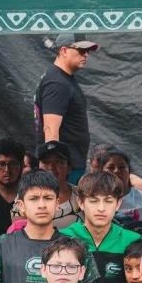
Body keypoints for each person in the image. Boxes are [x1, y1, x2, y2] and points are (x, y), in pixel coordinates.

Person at [60, 171, 142, 283]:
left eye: (108, 201)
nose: (101, 208)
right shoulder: (63, 238)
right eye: (94, 201)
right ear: (81, 202)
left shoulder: (134, 241)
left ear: (118, 203)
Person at [34, 33, 99, 180]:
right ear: (63, 51)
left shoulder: (62, 79)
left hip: (68, 166)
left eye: (87, 51)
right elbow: (50, 130)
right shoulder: (57, 83)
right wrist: (53, 172)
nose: (86, 54)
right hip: (63, 169)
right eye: (81, 50)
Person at [99, 147, 142, 228]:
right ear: (101, 172)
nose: (116, 171)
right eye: (111, 168)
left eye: (122, 167)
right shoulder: (93, 200)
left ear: (129, 171)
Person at [34, 141, 80, 230]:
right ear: (38, 167)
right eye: (46, 162)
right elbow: (18, 229)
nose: (51, 167)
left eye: (58, 162)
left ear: (69, 167)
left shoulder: (82, 195)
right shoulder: (26, 195)